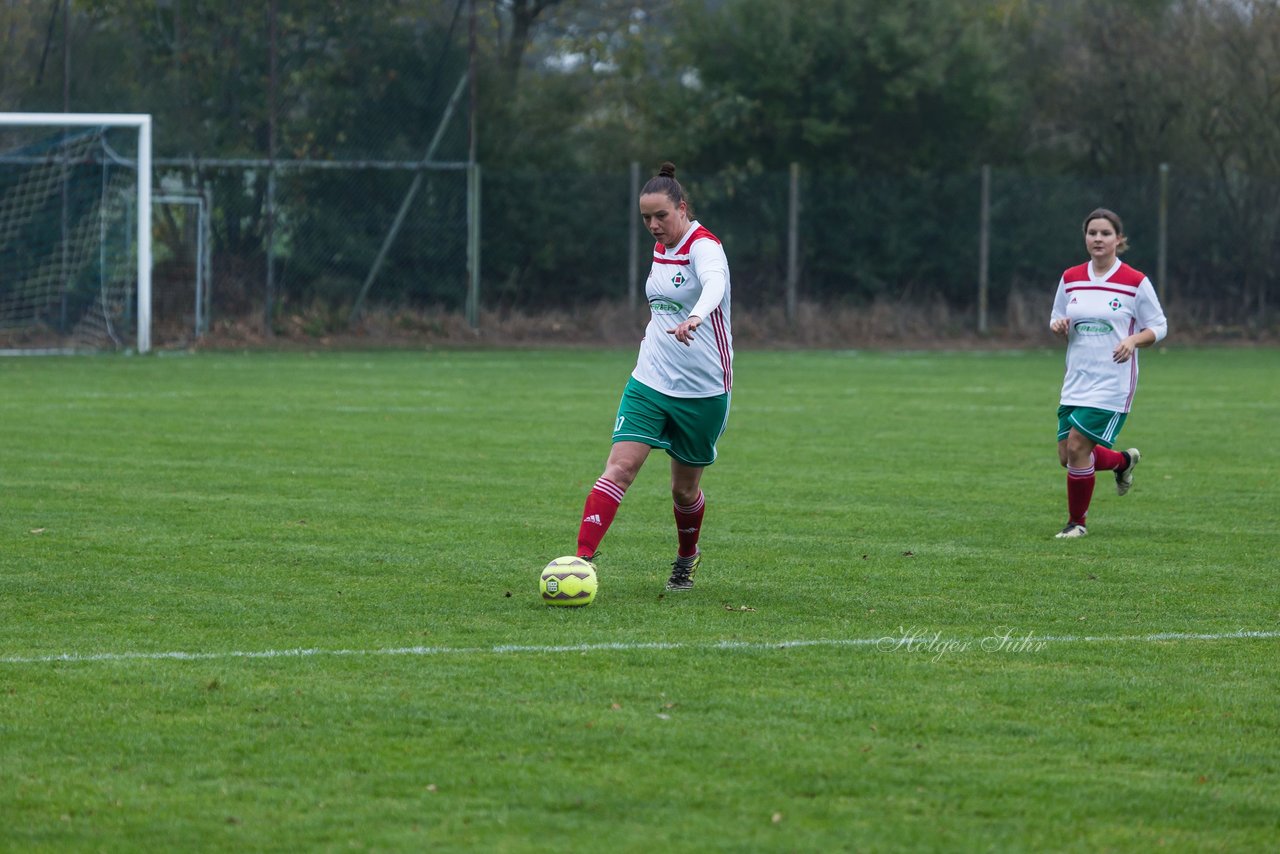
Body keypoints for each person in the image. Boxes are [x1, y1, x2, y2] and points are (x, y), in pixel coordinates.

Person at [572, 161, 733, 590]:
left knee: (683, 492)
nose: (653, 225)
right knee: (619, 469)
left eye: (661, 215)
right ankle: (580, 561)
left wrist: (697, 316)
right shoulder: (661, 246)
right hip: (649, 380)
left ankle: (686, 556)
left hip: (703, 390)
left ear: (682, 208)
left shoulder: (705, 247)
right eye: (646, 218)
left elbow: (714, 284)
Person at [1049, 207, 1168, 538]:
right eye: (1092, 233)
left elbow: (1159, 326)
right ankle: (1121, 462)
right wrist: (1058, 325)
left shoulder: (1134, 281)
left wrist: (1133, 339)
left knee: (1077, 448)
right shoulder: (1071, 277)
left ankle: (1077, 524)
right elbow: (1057, 315)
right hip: (1076, 379)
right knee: (1067, 456)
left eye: (1105, 233)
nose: (1097, 239)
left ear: (1119, 239)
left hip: (1112, 382)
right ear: (1085, 238)